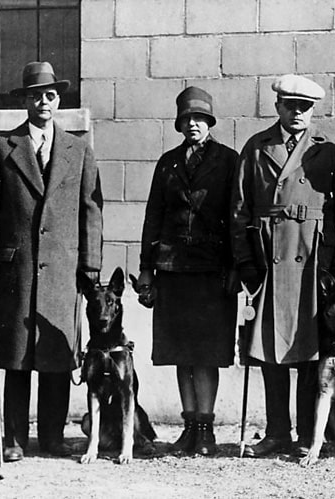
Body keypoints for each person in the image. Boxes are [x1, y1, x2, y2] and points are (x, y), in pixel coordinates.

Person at [0, 61, 103, 462]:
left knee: (57, 358)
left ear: (58, 100)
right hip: (16, 271)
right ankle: (13, 440)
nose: (43, 102)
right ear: (24, 100)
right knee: (17, 358)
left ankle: (52, 437)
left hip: (63, 269)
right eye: (35, 96)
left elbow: (91, 209)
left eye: (50, 95)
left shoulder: (79, 150)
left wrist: (90, 265)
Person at [231, 74, 335, 458]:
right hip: (269, 256)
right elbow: (239, 210)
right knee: (269, 347)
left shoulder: (330, 151)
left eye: (306, 108)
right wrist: (246, 263)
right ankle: (275, 431)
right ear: (279, 107)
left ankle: (308, 432)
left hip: (314, 262)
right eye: (292, 106)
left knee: (309, 349)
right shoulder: (256, 148)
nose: (299, 114)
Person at [136, 87, 238, 456]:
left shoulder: (229, 161)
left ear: (210, 122)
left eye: (200, 118)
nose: (193, 124)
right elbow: (153, 219)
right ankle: (189, 428)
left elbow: (237, 219)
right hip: (173, 269)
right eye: (187, 119)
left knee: (207, 353)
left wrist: (234, 268)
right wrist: (146, 271)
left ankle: (206, 430)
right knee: (181, 352)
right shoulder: (167, 163)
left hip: (212, 272)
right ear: (179, 124)